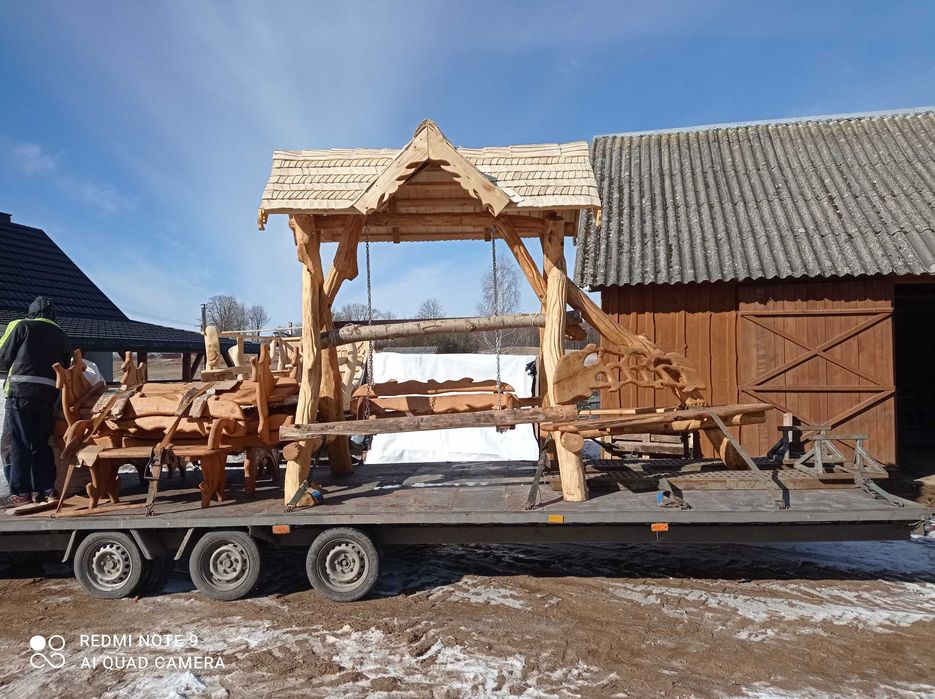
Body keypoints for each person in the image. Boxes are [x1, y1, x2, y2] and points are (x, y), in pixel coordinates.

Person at [0, 297, 70, 506]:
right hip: (48, 396)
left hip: (20, 394)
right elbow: (65, 368)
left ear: (31, 312)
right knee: (41, 444)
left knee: (17, 443)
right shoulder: (61, 335)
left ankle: (21, 493)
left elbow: (3, 358)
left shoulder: (21, 326)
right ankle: (46, 489)